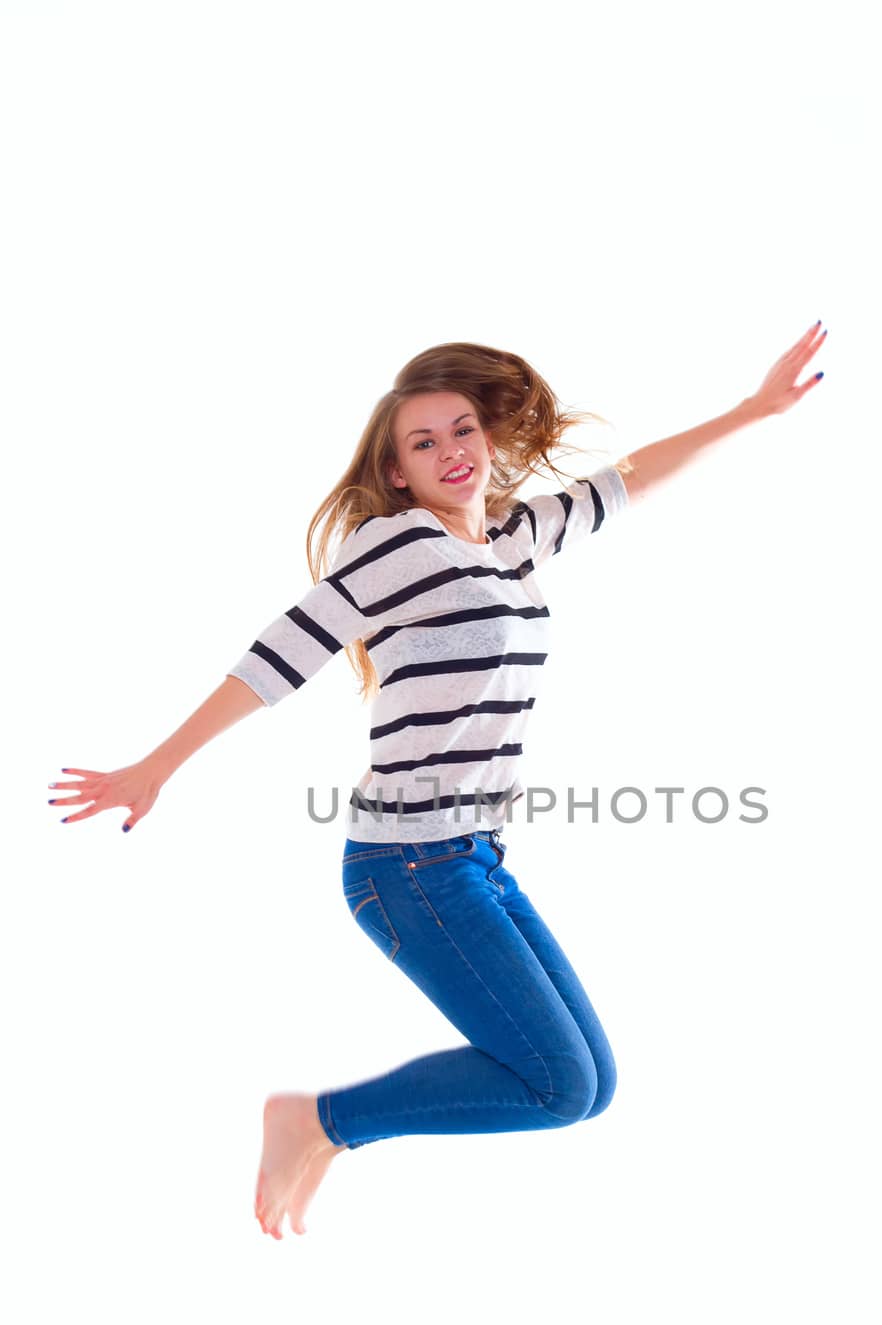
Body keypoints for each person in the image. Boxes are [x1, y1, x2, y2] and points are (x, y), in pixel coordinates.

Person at [47, 326, 827, 1239]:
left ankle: (326, 1126)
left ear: (487, 441)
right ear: (397, 472)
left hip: (473, 859)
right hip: (406, 864)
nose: (450, 451)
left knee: (590, 1089)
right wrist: (156, 766)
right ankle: (316, 1123)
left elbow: (627, 479)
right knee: (557, 1085)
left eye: (461, 431)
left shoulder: (508, 539)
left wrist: (751, 411)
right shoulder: (396, 547)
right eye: (424, 443)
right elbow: (282, 654)